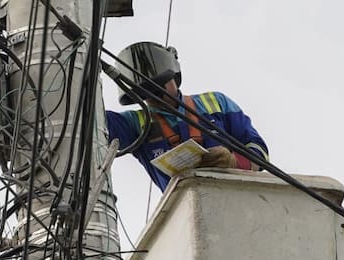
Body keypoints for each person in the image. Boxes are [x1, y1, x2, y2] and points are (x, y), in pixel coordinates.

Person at [104, 41, 269, 191]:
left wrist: (234, 162)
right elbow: (92, 120)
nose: (153, 96)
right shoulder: (134, 123)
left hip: (233, 195)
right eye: (145, 92)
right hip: (184, 209)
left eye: (159, 87)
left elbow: (259, 152)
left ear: (174, 76)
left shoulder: (216, 102)